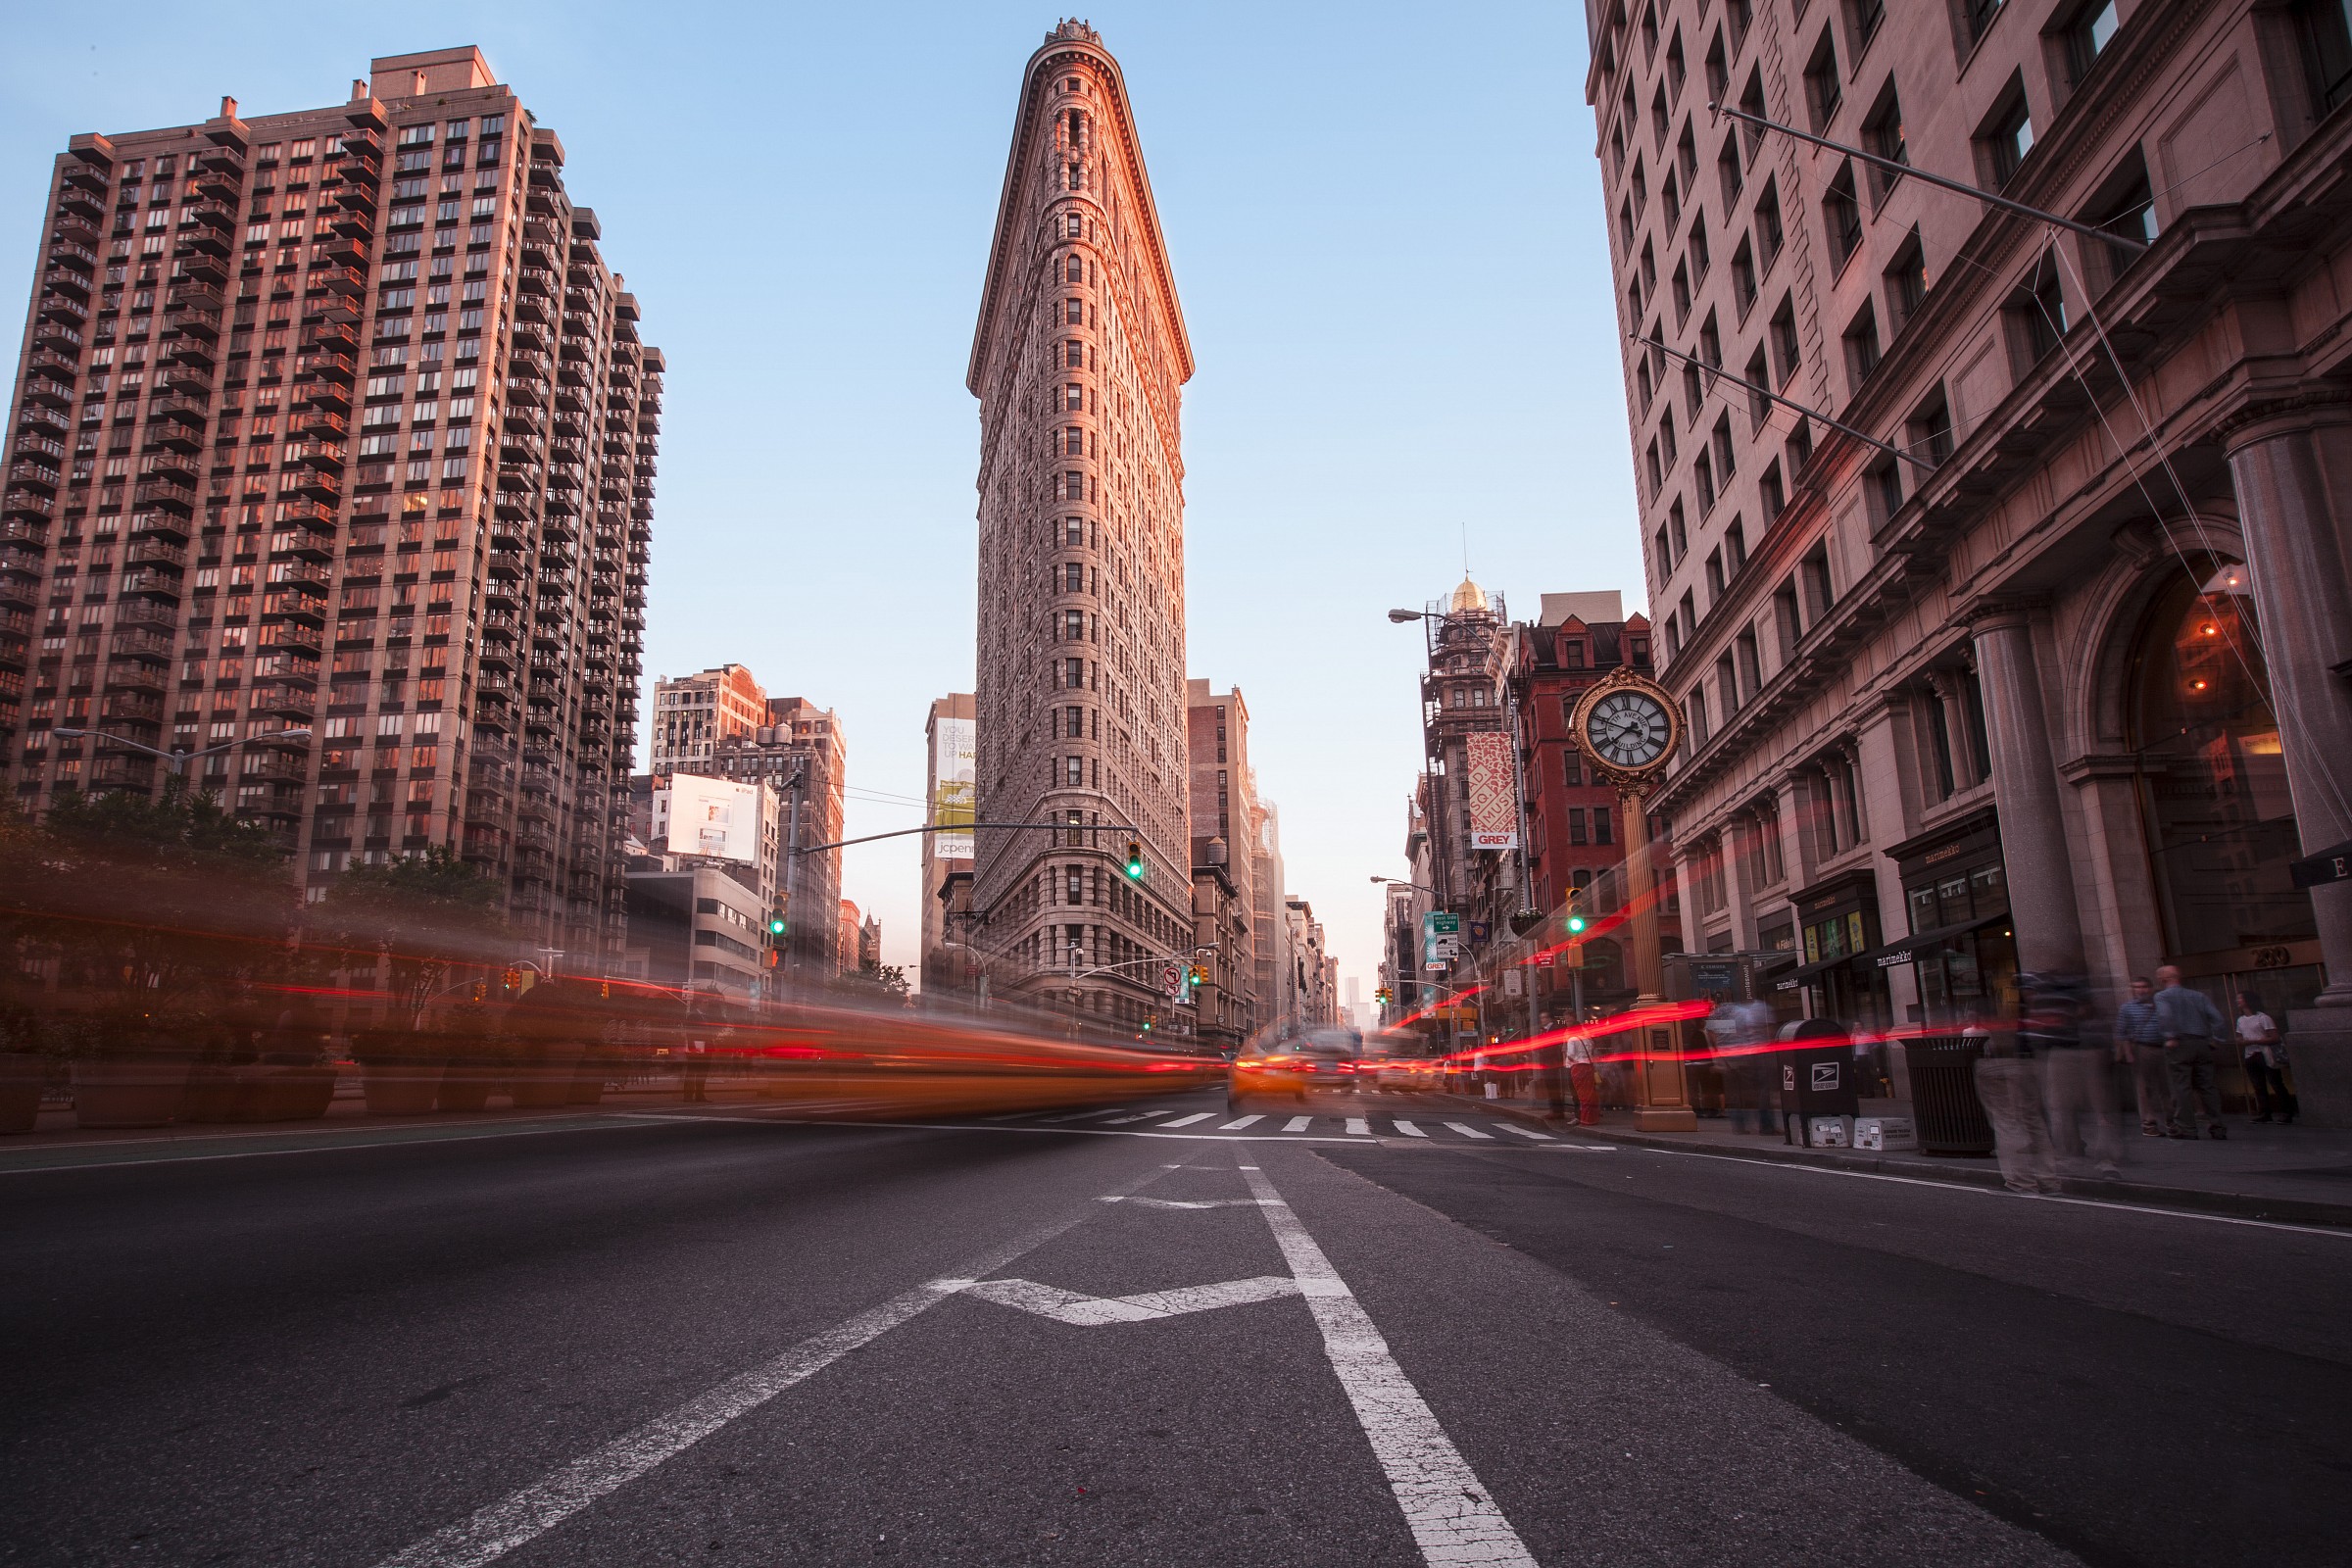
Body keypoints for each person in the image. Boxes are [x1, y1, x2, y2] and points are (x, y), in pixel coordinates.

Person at [2030, 972, 2120, 1179]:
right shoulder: (2075, 992)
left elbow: (2042, 1029)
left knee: (2067, 1109)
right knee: (2086, 1110)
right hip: (2081, 1051)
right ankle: (2097, 1160)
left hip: (2073, 1052)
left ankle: (2087, 1159)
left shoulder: (2052, 996)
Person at [1970, 1004, 2058, 1195]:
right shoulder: (2022, 1020)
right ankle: (2048, 1181)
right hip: (2027, 1063)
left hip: (1999, 1064)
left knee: (2007, 1121)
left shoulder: (1986, 1029)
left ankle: (2021, 1182)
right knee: (2033, 1120)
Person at [2153, 965, 2227, 1140]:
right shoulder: (2198, 996)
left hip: (2180, 1043)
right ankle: (2217, 1126)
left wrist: (2170, 1036)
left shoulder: (2162, 996)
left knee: (2181, 1086)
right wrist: (2217, 1039)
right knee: (2207, 1086)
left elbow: (2165, 1016)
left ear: (2163, 979)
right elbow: (2218, 1019)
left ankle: (2187, 1127)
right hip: (2202, 1042)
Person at [2113, 977, 2168, 1136]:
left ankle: (2171, 1121)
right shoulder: (2127, 1008)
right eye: (2136, 987)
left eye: (2144, 987)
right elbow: (2122, 1032)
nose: (2141, 990)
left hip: (2163, 1047)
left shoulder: (2160, 1005)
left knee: (2166, 1087)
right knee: (2144, 1088)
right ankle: (2149, 1123)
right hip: (2141, 1048)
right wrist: (2129, 1053)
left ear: (2150, 988)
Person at [2235, 992, 2294, 1125]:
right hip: (2250, 1055)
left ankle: (2286, 1112)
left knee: (2276, 1083)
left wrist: (2255, 1040)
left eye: (2240, 998)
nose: (2238, 1001)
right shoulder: (2241, 1020)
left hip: (2265, 1053)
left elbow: (2274, 1037)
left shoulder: (2263, 1018)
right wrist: (2242, 1041)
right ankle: (2264, 1112)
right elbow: (2239, 1036)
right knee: (2258, 1085)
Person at [1564, 1027, 1599, 1126]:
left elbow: (1570, 1055)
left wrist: (1574, 1062)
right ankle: (1592, 1118)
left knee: (1581, 1095)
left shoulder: (1572, 1040)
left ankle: (1584, 1118)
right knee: (1590, 1094)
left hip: (1578, 1067)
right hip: (1588, 1066)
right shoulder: (1588, 1040)